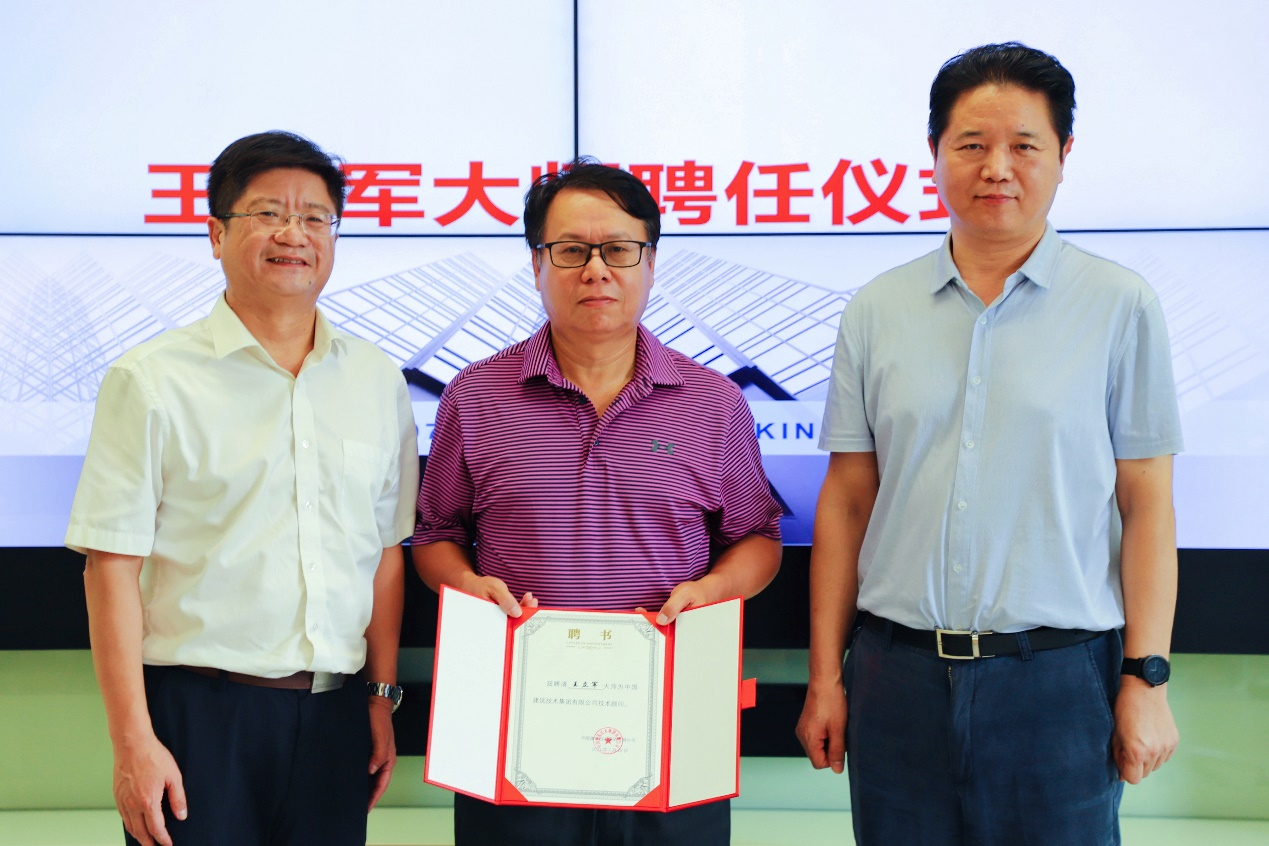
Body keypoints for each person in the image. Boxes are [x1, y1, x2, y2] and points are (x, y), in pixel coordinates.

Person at [795, 43, 1183, 845]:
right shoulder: (876, 309)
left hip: (1057, 681)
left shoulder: (1119, 305)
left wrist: (1146, 679)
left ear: (1063, 155)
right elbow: (848, 500)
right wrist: (824, 677)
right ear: (933, 152)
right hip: (895, 676)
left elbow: (1145, 503)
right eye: (970, 144)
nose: (995, 168)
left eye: (1023, 145)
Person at [413, 158, 783, 845]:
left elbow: (757, 539)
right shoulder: (475, 395)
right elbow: (434, 535)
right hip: (515, 729)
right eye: (570, 251)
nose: (595, 270)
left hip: (671, 726)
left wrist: (712, 590)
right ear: (536, 264)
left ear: (650, 263)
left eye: (618, 249)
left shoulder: (713, 403)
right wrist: (465, 584)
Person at [65, 131, 419, 846]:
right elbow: (111, 567)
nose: (294, 234)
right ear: (216, 234)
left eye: (315, 217)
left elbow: (385, 552)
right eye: (268, 214)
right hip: (199, 717)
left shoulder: (376, 379)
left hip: (335, 719)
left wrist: (379, 698)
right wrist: (133, 742)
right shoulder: (151, 379)